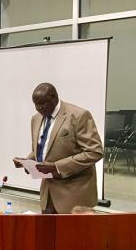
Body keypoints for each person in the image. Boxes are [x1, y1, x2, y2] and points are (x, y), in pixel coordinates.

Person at [13, 83, 103, 214]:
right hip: (48, 192)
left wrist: (57, 167)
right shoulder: (36, 118)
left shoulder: (79, 116)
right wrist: (28, 161)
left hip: (74, 193)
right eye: (36, 104)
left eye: (43, 103)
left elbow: (94, 152)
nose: (39, 108)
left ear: (54, 97)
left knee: (70, 228)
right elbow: (42, 149)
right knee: (47, 227)